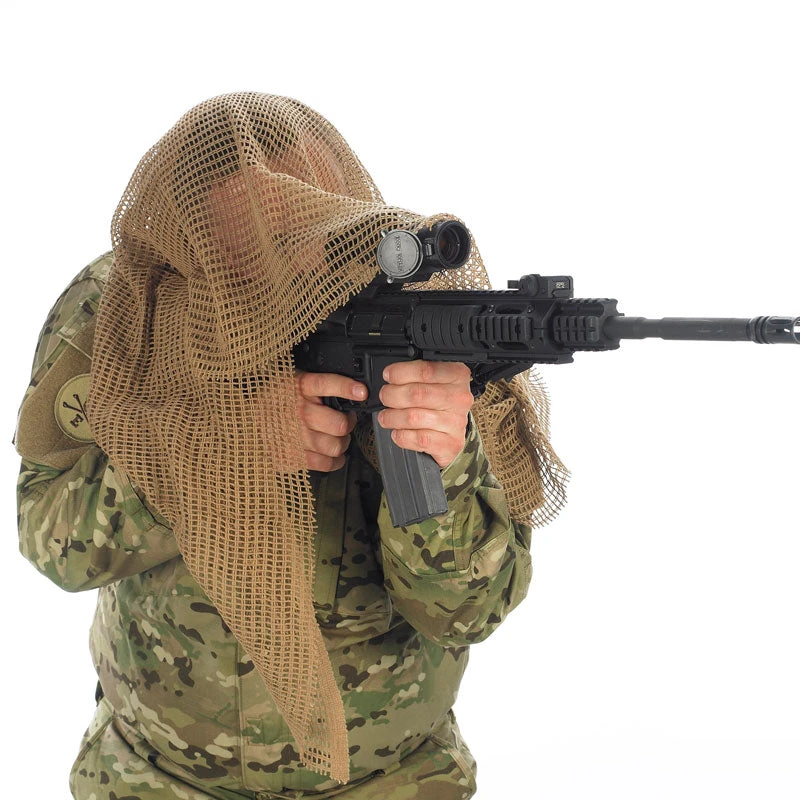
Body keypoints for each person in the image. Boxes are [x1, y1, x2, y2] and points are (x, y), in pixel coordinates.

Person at [15, 93, 567, 799]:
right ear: (189, 228)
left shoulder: (416, 316)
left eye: (303, 229)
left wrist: (445, 460)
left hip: (392, 780)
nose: (285, 267)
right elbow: (51, 539)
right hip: (152, 777)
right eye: (245, 247)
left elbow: (467, 610)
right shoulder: (124, 309)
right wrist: (221, 449)